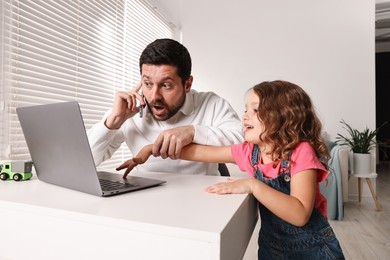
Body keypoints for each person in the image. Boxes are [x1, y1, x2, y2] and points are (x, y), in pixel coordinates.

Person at [118, 80, 345, 259]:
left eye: (255, 110)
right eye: (245, 109)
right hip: (271, 248)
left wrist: (252, 185)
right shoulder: (249, 152)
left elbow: (299, 214)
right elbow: (198, 152)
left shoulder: (300, 152)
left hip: (312, 250)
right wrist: (149, 148)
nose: (245, 116)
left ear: (284, 117)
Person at [87, 38, 243, 175]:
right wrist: (112, 122)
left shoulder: (212, 104)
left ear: (187, 84)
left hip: (203, 198)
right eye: (147, 84)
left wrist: (193, 132)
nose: (154, 96)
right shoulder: (128, 112)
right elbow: (85, 161)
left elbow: (249, 148)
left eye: (166, 85)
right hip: (148, 200)